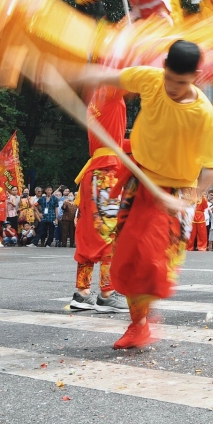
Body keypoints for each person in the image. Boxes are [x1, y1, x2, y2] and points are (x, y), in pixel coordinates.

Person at [74, 40, 213, 349]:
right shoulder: (150, 79)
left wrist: (189, 196)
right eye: (169, 78)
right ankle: (139, 324)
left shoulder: (203, 115)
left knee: (150, 262)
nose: (172, 86)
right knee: (126, 257)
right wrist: (77, 74)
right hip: (139, 180)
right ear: (164, 69)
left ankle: (142, 320)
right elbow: (110, 77)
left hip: (173, 191)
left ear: (196, 76)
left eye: (181, 82)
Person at [71, 86, 131, 312]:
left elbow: (112, 140)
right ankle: (107, 292)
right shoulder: (111, 90)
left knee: (89, 233)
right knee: (111, 231)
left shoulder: (97, 96)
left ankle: (82, 292)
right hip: (106, 172)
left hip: (96, 171)